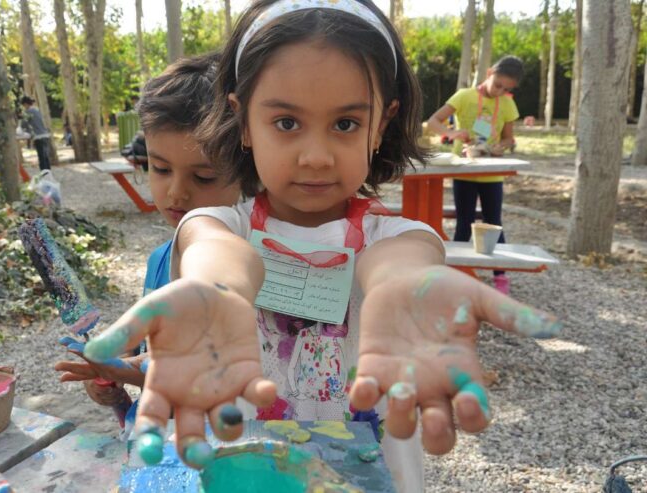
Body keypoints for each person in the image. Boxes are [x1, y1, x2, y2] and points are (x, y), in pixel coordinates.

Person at [82, 3, 560, 492]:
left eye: (346, 124)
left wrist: (407, 289)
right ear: (242, 120)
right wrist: (215, 290)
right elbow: (216, 251)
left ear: (382, 124)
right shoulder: (220, 224)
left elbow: (399, 266)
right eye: (287, 123)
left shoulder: (397, 238)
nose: (315, 156)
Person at [54, 53, 241, 426]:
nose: (176, 193)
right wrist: (113, 389)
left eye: (203, 177)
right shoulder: (160, 260)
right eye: (160, 168)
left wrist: (128, 369)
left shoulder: (252, 272)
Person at [427, 56, 524, 295]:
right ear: (490, 72)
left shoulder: (507, 104)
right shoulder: (464, 96)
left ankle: (500, 276)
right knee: (464, 223)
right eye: (498, 84)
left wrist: (502, 145)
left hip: (492, 173)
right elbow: (433, 122)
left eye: (507, 89)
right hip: (465, 170)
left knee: (494, 223)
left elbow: (508, 138)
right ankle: (457, 276)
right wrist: (453, 133)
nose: (500, 91)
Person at [20, 96, 52, 172]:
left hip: (38, 136)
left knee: (41, 157)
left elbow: (23, 124)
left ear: (25, 104)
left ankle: (44, 174)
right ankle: (48, 173)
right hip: (45, 135)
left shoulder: (28, 112)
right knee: (46, 157)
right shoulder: (37, 110)